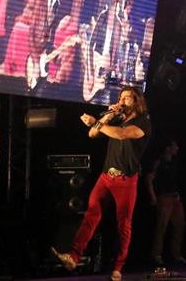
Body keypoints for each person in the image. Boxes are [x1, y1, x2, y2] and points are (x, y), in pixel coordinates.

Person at [51, 86, 151, 281]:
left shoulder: (143, 122)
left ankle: (118, 267)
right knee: (91, 213)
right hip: (106, 177)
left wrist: (96, 122)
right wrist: (107, 117)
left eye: (127, 98)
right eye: (121, 98)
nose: (122, 101)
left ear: (137, 101)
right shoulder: (116, 118)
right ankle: (74, 256)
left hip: (126, 179)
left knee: (123, 223)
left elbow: (122, 134)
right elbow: (92, 134)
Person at [146, 137, 186, 267]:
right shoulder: (159, 162)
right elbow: (149, 179)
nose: (177, 148)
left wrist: (178, 194)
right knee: (162, 226)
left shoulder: (175, 162)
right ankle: (157, 255)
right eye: (175, 146)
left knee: (180, 225)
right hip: (164, 197)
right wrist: (153, 197)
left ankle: (176, 255)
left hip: (175, 196)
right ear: (168, 148)